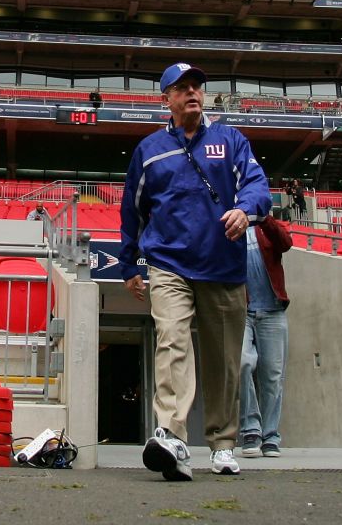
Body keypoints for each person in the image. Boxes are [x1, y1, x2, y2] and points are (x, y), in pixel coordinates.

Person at [120, 62, 271, 481]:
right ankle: (171, 434)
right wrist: (130, 261)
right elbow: (132, 208)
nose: (193, 93)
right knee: (171, 342)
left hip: (222, 266)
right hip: (168, 263)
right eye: (182, 87)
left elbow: (258, 185)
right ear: (165, 98)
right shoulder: (149, 150)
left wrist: (246, 209)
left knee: (224, 360)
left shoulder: (231, 139)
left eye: (197, 87)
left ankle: (222, 444)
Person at [238, 214, 292, 459]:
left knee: (272, 376)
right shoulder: (231, 227)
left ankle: (270, 435)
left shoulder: (265, 227)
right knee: (242, 364)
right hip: (242, 311)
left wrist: (264, 219)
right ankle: (251, 429)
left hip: (272, 311)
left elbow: (285, 242)